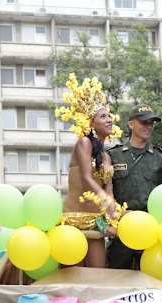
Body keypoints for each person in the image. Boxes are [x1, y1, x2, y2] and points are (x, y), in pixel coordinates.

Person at [55, 74, 121, 268]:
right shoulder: (83, 143)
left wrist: (112, 219)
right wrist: (106, 200)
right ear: (91, 124)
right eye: (103, 116)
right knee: (70, 278)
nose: (109, 120)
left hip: (95, 223)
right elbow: (86, 178)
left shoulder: (107, 157)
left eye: (109, 116)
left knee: (98, 275)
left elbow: (109, 189)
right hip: (72, 221)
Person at [108, 104, 162, 270]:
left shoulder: (160, 158)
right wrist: (108, 222)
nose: (149, 126)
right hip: (120, 231)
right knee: (115, 283)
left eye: (151, 123)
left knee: (153, 283)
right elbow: (102, 194)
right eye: (144, 122)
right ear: (131, 124)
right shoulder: (113, 155)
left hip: (150, 233)